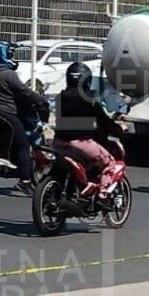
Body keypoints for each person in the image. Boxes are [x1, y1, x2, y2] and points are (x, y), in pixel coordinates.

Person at [53, 62, 124, 196]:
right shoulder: (89, 99)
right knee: (110, 163)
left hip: (58, 143)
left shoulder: (60, 97)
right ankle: (103, 193)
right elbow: (104, 121)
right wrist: (118, 130)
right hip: (81, 144)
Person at [0, 41, 49, 194]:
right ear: (4, 55)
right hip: (6, 112)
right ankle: (25, 181)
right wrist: (41, 100)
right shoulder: (8, 74)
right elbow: (24, 92)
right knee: (23, 144)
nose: (12, 57)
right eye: (10, 54)